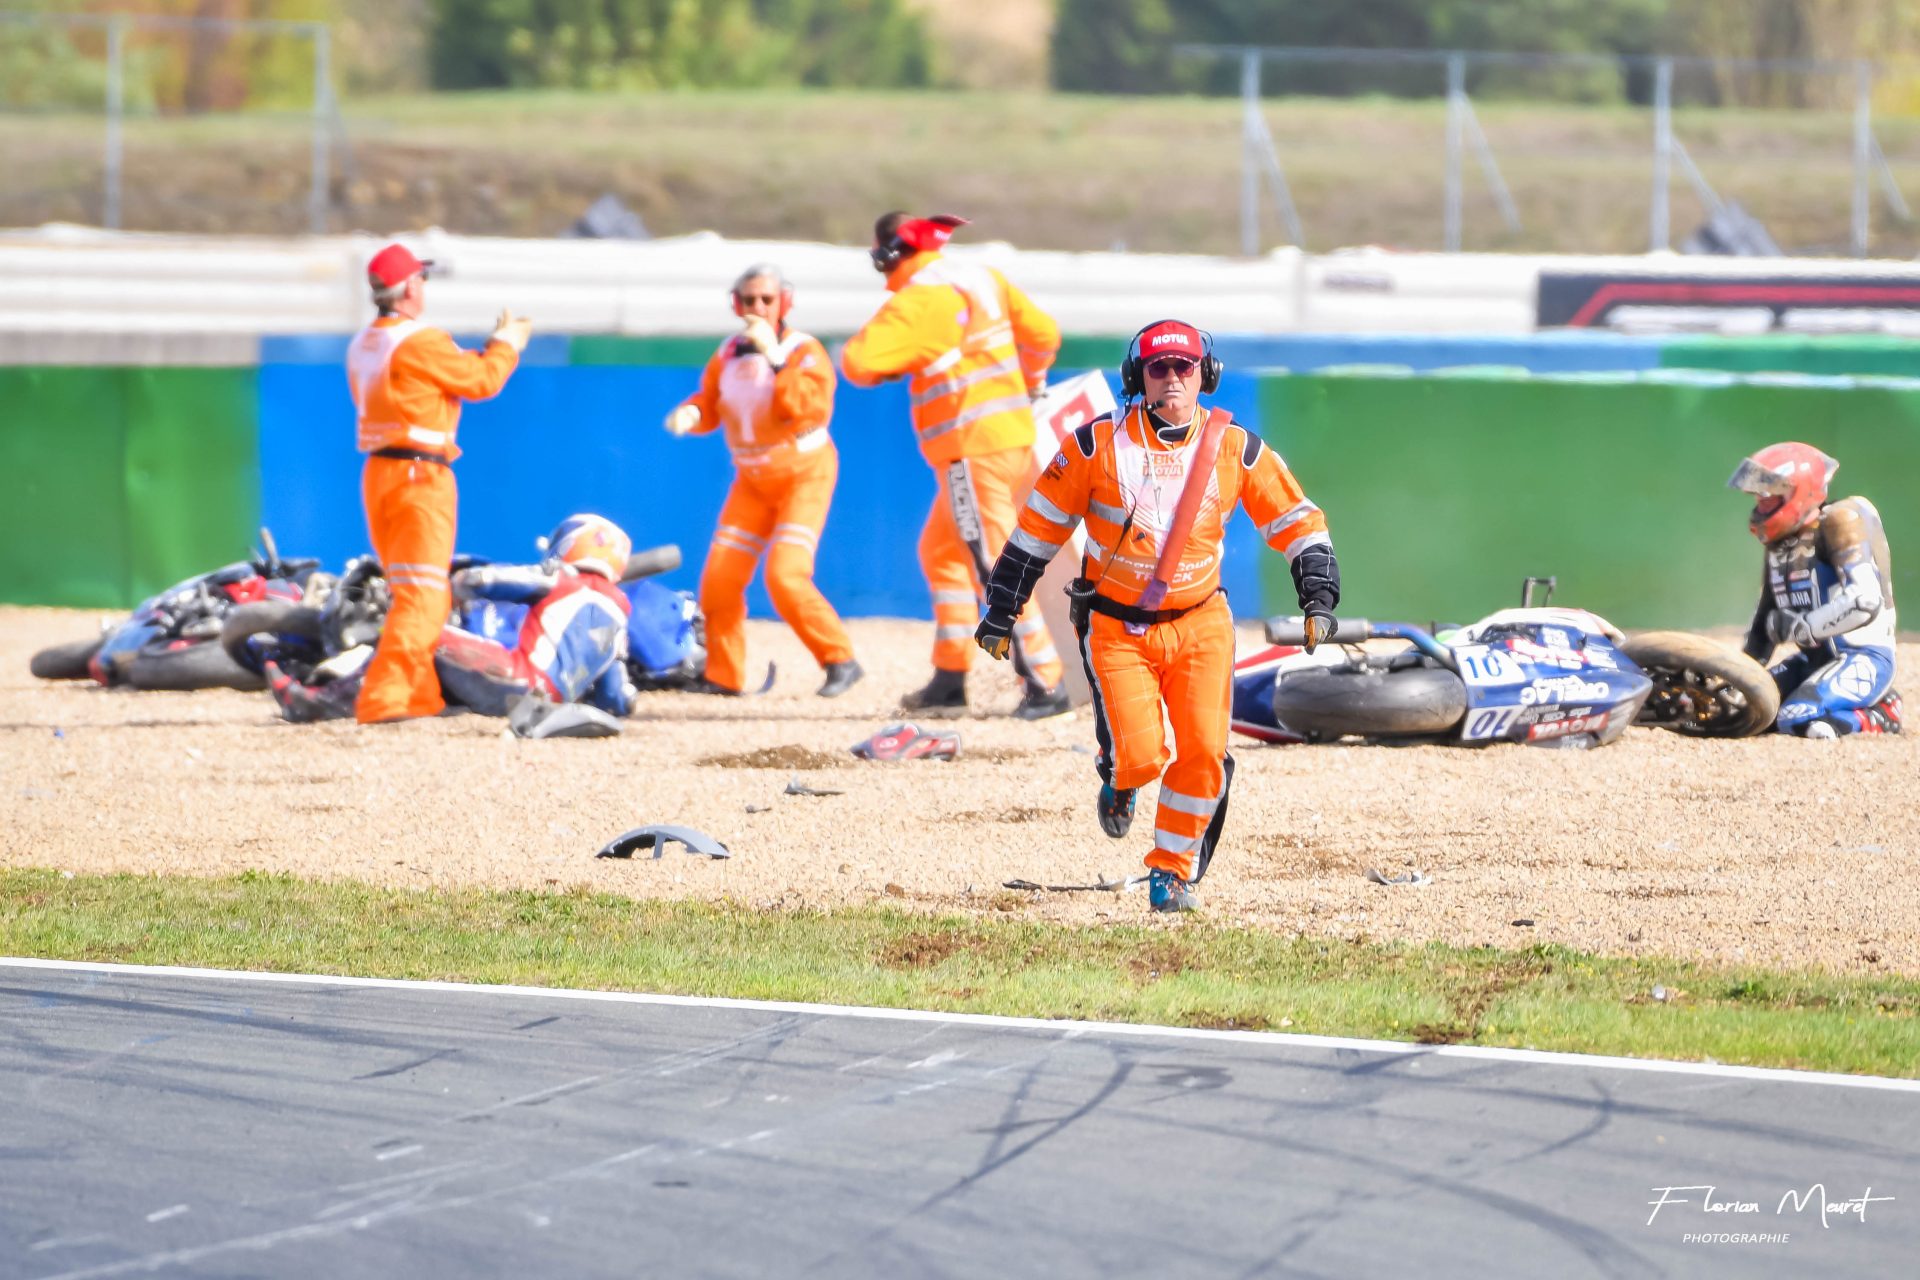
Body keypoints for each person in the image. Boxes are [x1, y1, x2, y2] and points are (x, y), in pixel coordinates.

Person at [974, 320, 1341, 912]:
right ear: (1136, 377)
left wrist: (1317, 597)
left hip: (1202, 624)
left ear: (1206, 375)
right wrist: (1001, 610)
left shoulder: (1235, 447)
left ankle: (1169, 873)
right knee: (1142, 757)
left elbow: (1299, 521)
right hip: (1115, 627)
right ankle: (1118, 774)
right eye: (1158, 368)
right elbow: (1036, 531)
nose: (1172, 379)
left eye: (1184, 367)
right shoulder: (1092, 446)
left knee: (1203, 753)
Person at [839, 211, 1069, 720]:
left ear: (888, 254)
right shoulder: (982, 278)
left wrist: (903, 359)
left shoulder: (920, 297)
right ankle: (949, 677)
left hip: (970, 450)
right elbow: (1044, 335)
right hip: (1009, 439)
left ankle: (1045, 683)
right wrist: (1031, 379)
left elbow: (858, 362)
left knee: (996, 562)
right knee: (941, 551)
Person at [346, 242, 532, 723]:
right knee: (424, 594)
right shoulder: (419, 341)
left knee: (408, 590)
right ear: (409, 286)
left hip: (381, 473)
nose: (424, 286)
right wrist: (508, 343)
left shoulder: (366, 340)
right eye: (421, 279)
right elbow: (480, 380)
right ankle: (385, 699)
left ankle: (419, 696)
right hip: (419, 475)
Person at [665, 264, 862, 698]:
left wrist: (775, 358)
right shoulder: (727, 352)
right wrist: (693, 413)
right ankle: (723, 674)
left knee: (785, 574)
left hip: (803, 473)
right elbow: (711, 400)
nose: (757, 308)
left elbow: (805, 409)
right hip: (751, 480)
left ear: (783, 303)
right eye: (749, 300)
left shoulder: (803, 350)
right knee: (719, 578)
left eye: (766, 300)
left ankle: (839, 660)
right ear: (736, 304)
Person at [268, 514, 637, 722]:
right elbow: (619, 701)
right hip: (547, 702)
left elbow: (482, 579)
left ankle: (320, 701)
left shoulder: (562, 579)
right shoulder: (620, 616)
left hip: (515, 679)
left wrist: (450, 588)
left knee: (412, 630)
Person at [1729, 442, 1901, 738]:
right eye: (1758, 495)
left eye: (1768, 495)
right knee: (1745, 712)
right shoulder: (1779, 543)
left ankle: (1881, 713)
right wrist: (1734, 679)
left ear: (1800, 491)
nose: (1760, 503)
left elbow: (1865, 600)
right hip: (1812, 660)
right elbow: (1764, 619)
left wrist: (1801, 627)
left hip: (1863, 658)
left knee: (1795, 717)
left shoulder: (1839, 520)